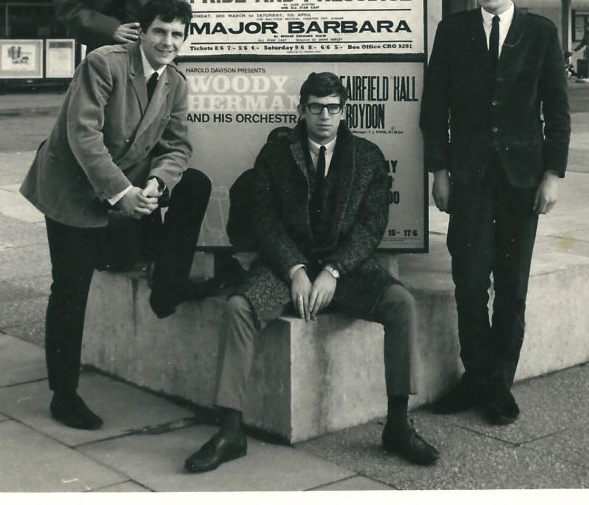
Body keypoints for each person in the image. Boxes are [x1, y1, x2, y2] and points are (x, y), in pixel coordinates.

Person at [185, 72, 438, 473]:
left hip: (345, 269)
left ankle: (397, 424)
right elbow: (264, 221)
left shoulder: (368, 157)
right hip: (288, 267)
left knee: (400, 302)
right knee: (238, 308)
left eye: (333, 108)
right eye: (316, 108)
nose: (324, 116)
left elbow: (370, 227)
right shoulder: (276, 155)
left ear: (344, 112)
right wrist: (295, 269)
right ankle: (231, 430)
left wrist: (334, 269)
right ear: (301, 110)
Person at [20, 0, 212, 430]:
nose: (167, 41)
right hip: (72, 191)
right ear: (141, 31)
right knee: (70, 289)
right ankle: (63, 395)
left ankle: (167, 287)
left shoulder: (176, 83)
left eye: (177, 34)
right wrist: (122, 193)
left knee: (194, 184)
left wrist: (157, 183)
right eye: (160, 31)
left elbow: (178, 147)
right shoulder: (104, 64)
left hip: (125, 190)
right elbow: (82, 136)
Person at [420, 0, 570, 425]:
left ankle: (498, 383)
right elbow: (434, 108)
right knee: (468, 280)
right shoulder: (453, 30)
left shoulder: (540, 33)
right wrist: (439, 172)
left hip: (522, 179)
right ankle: (476, 376)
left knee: (512, 285)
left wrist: (552, 175)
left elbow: (558, 112)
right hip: (467, 178)